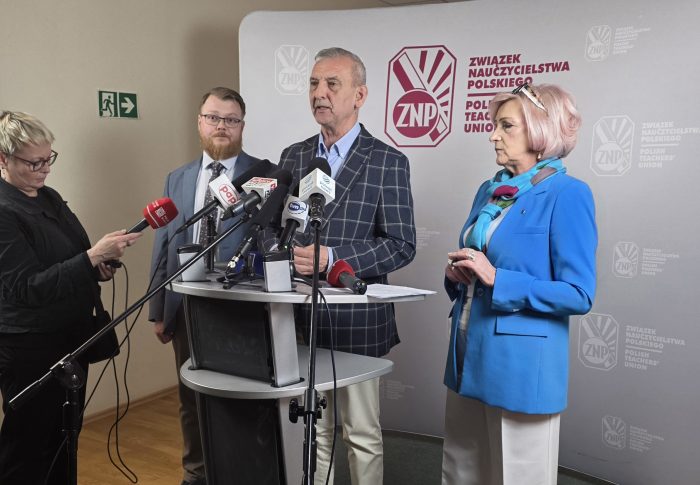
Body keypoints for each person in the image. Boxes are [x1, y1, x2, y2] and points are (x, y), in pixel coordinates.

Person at [440, 83, 597, 485]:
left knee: (518, 477)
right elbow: (476, 268)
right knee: (461, 473)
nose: (493, 135)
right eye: (495, 125)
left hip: (522, 368)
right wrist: (457, 275)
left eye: (506, 126)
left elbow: (579, 294)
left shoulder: (568, 194)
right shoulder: (489, 190)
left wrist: (497, 279)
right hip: (466, 353)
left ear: (540, 131)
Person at [274, 47, 416, 485]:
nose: (320, 93)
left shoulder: (388, 161)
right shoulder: (294, 156)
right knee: (314, 429)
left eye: (332, 84)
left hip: (357, 322)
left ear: (360, 95)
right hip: (299, 319)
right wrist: (285, 252)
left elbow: (401, 245)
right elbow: (277, 229)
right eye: (314, 84)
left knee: (360, 434)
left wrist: (334, 258)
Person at [0, 111, 141, 484]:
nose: (45, 169)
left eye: (49, 158)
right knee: (28, 447)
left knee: (64, 439)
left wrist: (96, 267)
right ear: (3, 159)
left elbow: (69, 258)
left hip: (71, 340)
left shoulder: (49, 197)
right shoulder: (4, 211)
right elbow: (27, 287)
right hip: (31, 347)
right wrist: (92, 257)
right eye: (34, 162)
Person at [148, 87, 262, 485]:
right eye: (213, 117)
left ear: (242, 126)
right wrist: (158, 311)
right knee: (190, 398)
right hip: (185, 306)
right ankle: (195, 473)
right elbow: (164, 245)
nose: (221, 126)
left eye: (231, 119)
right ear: (200, 122)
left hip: (239, 310)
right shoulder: (177, 178)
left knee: (237, 399)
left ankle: (239, 473)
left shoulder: (262, 175)